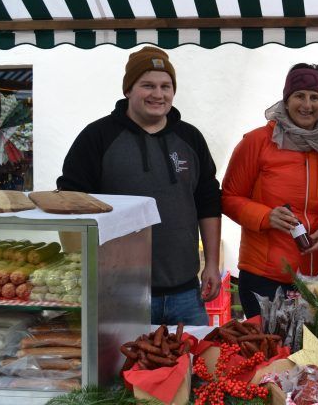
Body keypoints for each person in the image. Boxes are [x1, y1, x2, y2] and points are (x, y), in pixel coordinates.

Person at [57, 47, 222, 325]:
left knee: (194, 366)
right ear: (128, 90)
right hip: (119, 293)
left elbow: (208, 201)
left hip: (186, 292)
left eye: (165, 86)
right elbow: (71, 202)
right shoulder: (98, 137)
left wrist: (213, 265)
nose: (158, 94)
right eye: (147, 85)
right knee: (121, 370)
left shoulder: (190, 138)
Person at [221, 63, 318, 318]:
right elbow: (229, 198)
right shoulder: (257, 142)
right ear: (286, 99)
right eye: (299, 95)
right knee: (273, 355)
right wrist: (265, 216)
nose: (307, 104)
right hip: (266, 277)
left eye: (315, 97)